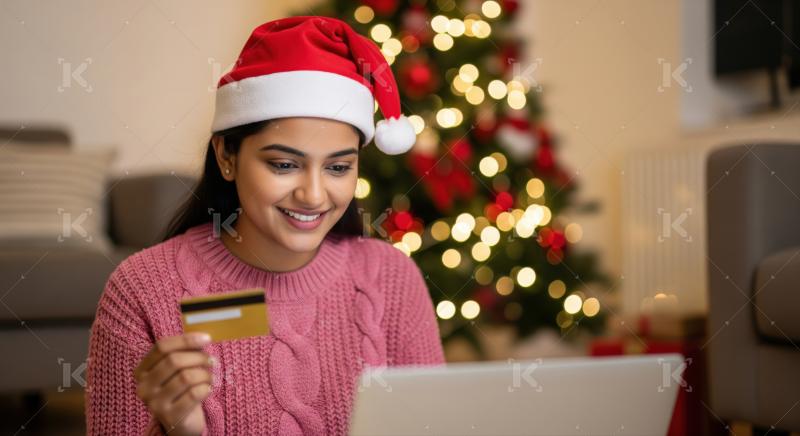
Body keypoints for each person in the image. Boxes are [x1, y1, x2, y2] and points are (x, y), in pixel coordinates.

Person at [84, 16, 445, 435]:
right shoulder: (142, 291)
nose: (312, 195)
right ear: (227, 156)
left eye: (338, 166)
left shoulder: (390, 278)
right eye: (284, 164)